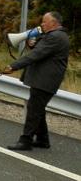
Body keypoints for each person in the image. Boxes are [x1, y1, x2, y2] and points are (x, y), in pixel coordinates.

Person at [4, 12, 69, 151]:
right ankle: (42, 140)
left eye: (45, 22)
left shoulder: (55, 36)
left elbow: (36, 55)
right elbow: (41, 51)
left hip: (45, 80)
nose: (42, 24)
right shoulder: (55, 36)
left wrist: (13, 66)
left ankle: (25, 141)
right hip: (44, 79)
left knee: (34, 110)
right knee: (38, 109)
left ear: (54, 23)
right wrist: (32, 44)